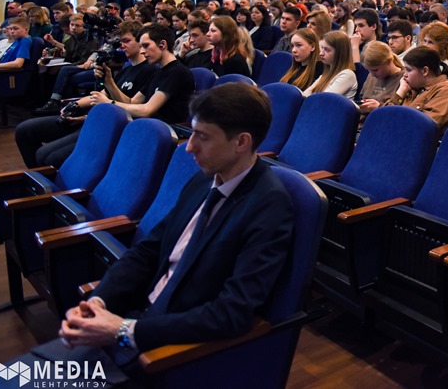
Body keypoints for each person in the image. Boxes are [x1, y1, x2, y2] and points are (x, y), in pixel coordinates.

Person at [22, 83, 293, 377]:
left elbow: (232, 313)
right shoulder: (204, 180)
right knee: (2, 380)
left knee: (21, 381)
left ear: (241, 142)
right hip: (131, 319)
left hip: (167, 352)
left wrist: (124, 331)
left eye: (202, 137)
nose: (189, 147)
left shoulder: (270, 206)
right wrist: (100, 300)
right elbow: (148, 251)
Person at [15, 22, 156, 168]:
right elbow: (101, 95)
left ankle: (47, 180)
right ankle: (38, 177)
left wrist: (108, 86)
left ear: (140, 43)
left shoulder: (149, 71)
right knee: (24, 130)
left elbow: (131, 106)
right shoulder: (126, 70)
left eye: (127, 41)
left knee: (46, 156)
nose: (122, 46)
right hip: (92, 118)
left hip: (108, 126)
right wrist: (74, 105)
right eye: (120, 41)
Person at [91, 25, 195, 126]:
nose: (142, 52)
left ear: (162, 44)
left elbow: (147, 110)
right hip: (147, 125)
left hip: (165, 131)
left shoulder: (176, 72)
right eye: (141, 47)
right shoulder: (158, 72)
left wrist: (109, 102)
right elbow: (131, 103)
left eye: (146, 46)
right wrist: (108, 81)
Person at [386, 45, 448, 133]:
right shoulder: (412, 87)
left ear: (425, 71)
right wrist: (400, 92)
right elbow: (385, 117)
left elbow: (422, 128)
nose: (404, 75)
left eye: (409, 70)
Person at [356, 41, 405, 119]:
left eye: (376, 70)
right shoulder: (372, 75)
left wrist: (379, 107)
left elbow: (400, 114)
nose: (372, 75)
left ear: (388, 62)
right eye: (369, 70)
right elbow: (362, 97)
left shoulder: (404, 79)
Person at [303, 30, 357, 98]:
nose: (321, 53)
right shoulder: (327, 73)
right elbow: (305, 94)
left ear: (339, 53)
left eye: (326, 49)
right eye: (322, 48)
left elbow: (325, 99)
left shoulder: (347, 75)